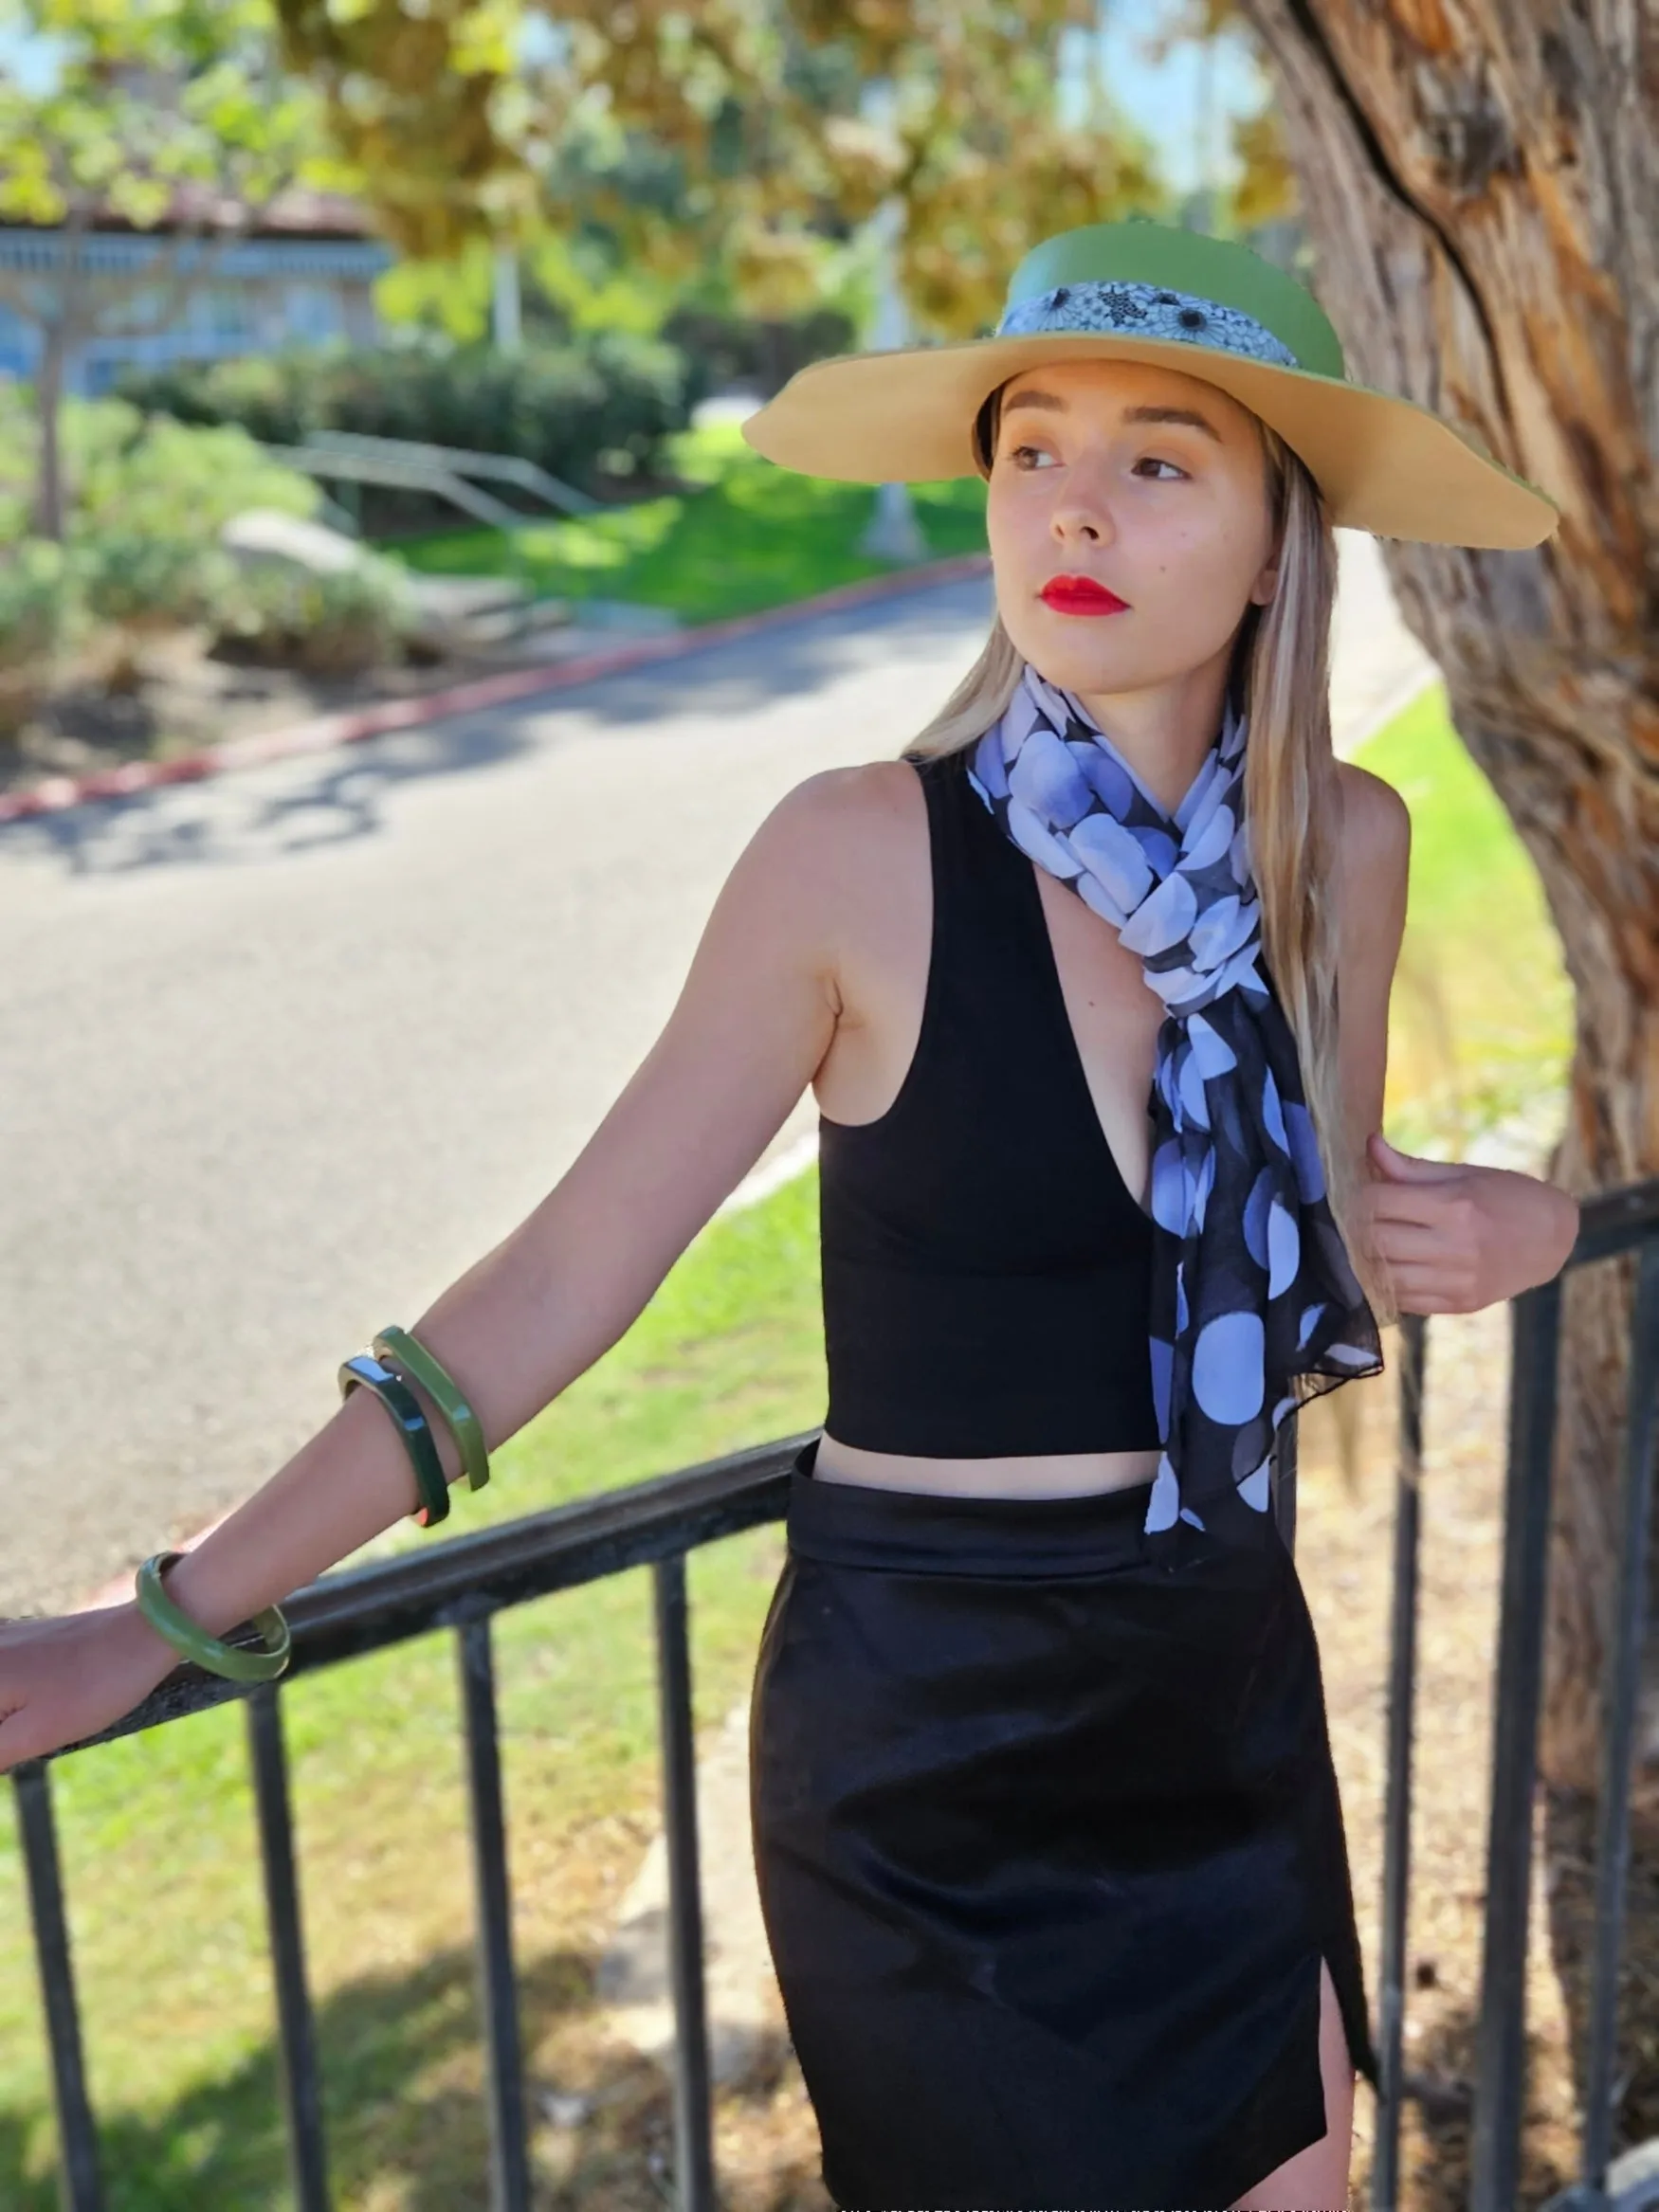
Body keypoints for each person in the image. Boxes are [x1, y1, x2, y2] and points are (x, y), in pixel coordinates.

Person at [0, 220, 1578, 2209]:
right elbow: (568, 1274)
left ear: (1278, 543)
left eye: (1157, 459)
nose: (1068, 502)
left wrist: (1511, 1231)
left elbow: (1307, 1223)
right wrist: (166, 1617)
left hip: (1210, 1673)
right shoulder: (854, 858)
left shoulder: (1339, 845)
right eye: (1028, 451)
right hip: (920, 1746)